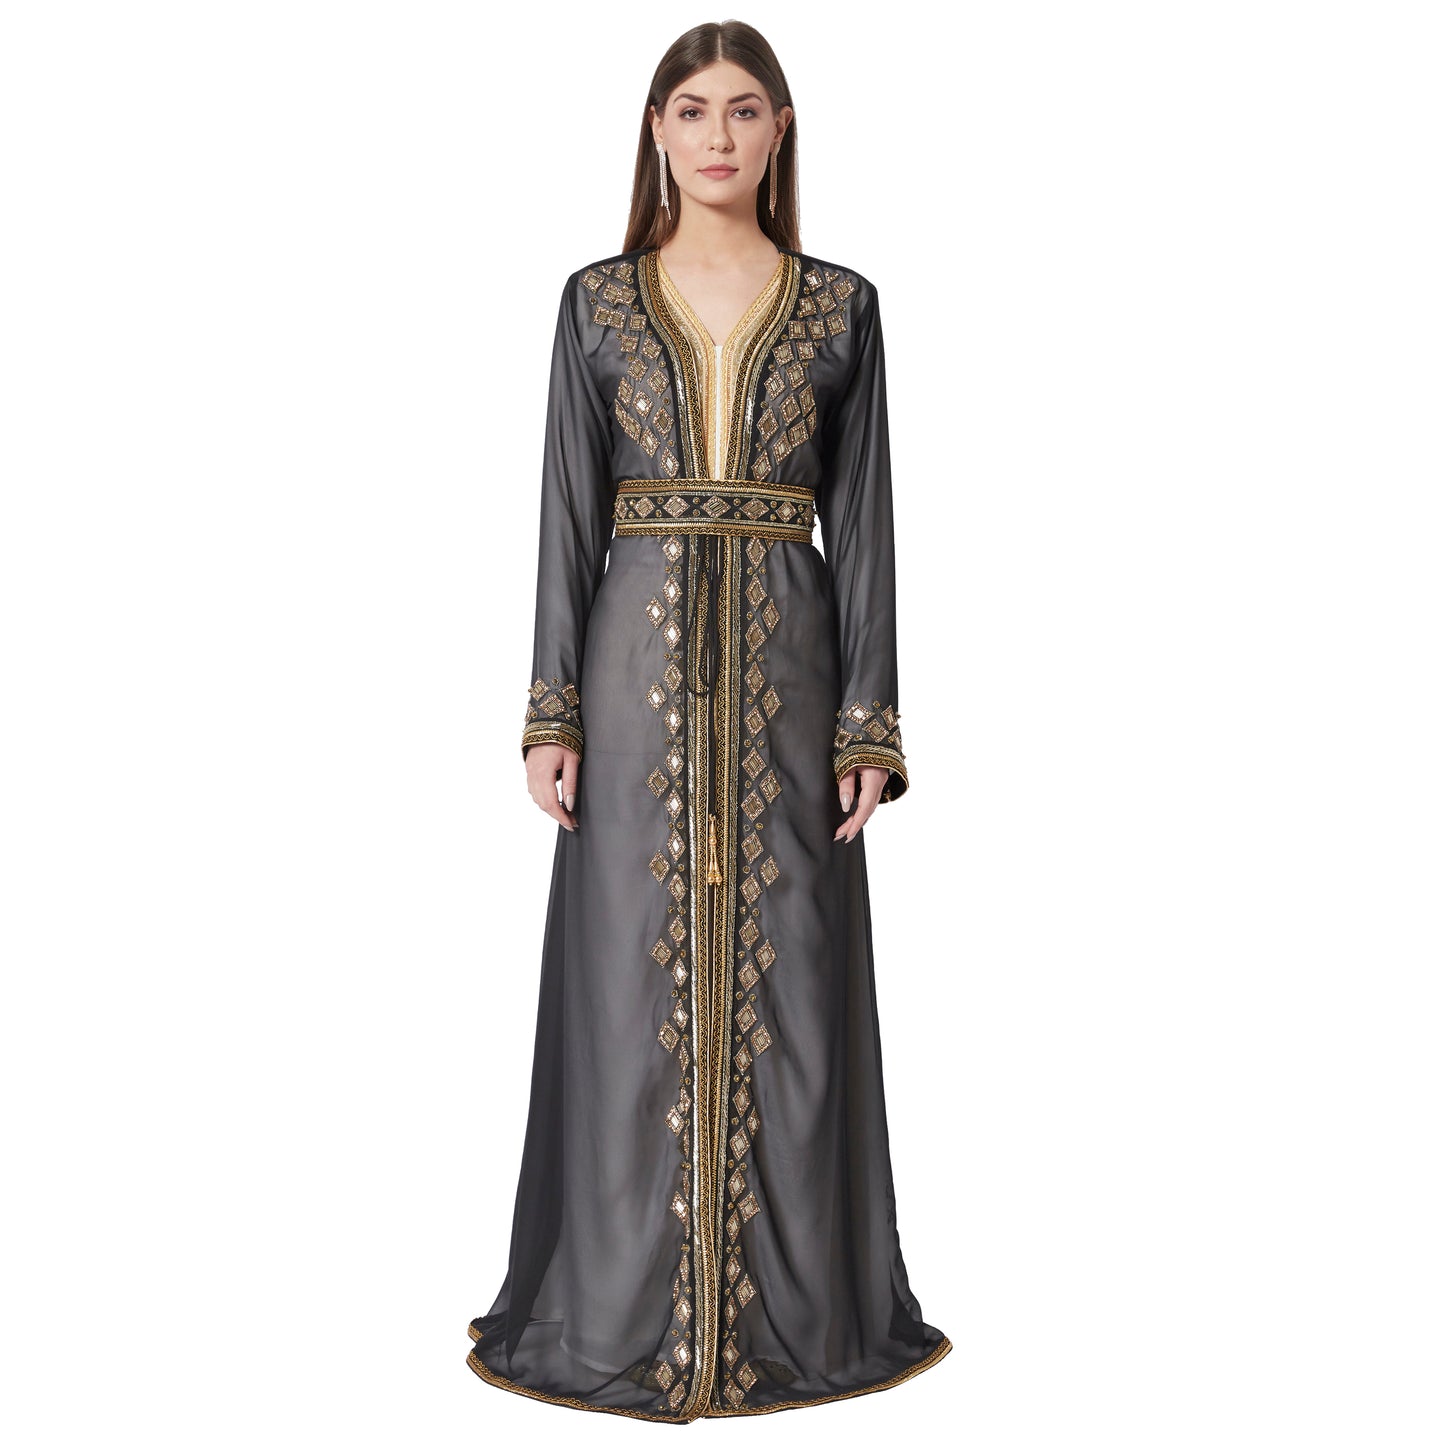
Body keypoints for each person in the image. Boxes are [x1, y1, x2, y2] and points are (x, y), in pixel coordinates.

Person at [464, 19, 951, 1422]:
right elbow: (567, 513)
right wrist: (551, 708)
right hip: (633, 682)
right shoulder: (598, 304)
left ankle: (791, 1321)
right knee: (629, 987)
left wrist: (867, 725)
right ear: (657, 132)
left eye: (744, 109)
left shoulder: (842, 307)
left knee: (797, 990)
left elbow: (864, 525)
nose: (718, 135)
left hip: (792, 679)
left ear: (780, 130)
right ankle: (629, 1310)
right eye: (691, 110)